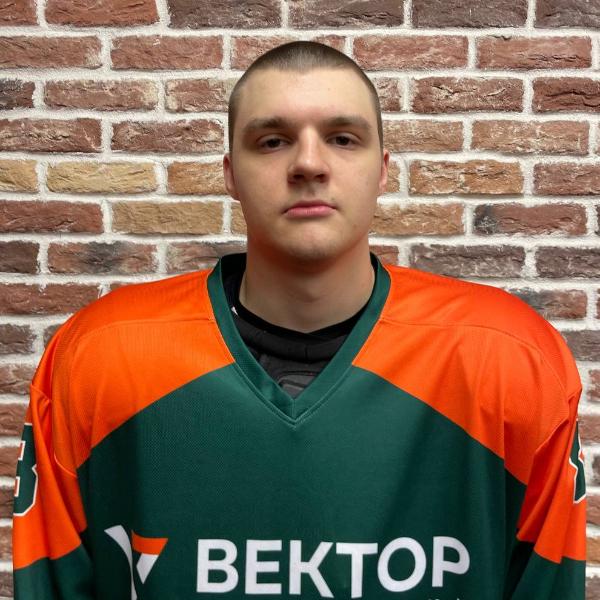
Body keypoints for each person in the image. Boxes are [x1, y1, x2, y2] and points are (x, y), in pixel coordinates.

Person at [12, 41, 585, 599]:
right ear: (230, 173)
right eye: (272, 141)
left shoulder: (511, 359)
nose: (309, 163)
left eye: (342, 138)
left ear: (382, 170)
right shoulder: (99, 357)